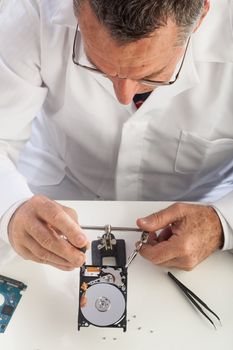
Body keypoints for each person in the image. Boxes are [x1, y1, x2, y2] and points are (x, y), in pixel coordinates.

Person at [0, 0, 232, 271]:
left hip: (199, 213)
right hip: (56, 193)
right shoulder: (34, 7)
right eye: (98, 65)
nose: (124, 96)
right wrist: (10, 208)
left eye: (152, 76)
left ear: (201, 15)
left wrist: (222, 222)